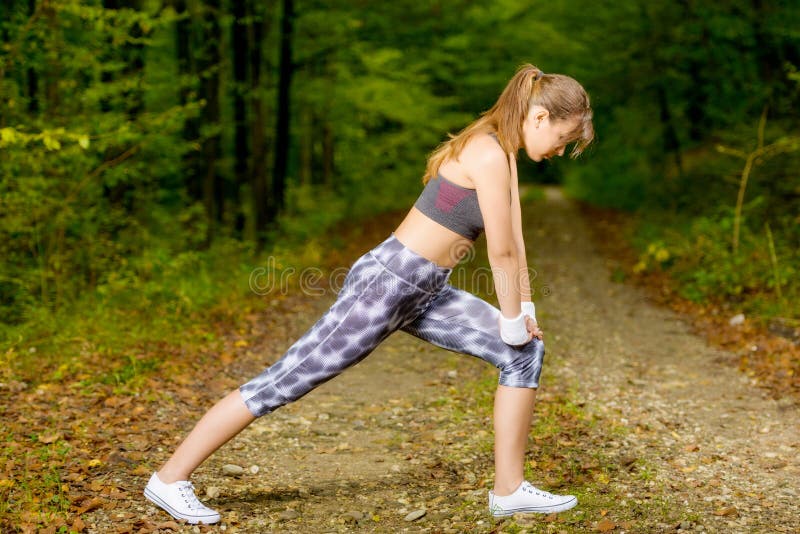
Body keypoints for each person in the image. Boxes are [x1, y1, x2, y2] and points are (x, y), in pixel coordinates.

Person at [143, 63, 594, 524]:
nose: (561, 150)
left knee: (524, 354)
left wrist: (524, 314)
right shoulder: (487, 151)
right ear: (539, 118)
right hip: (388, 283)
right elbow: (497, 251)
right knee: (283, 382)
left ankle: (510, 489)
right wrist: (511, 320)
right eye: (563, 138)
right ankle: (170, 478)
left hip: (427, 289)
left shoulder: (506, 155)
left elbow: (515, 242)